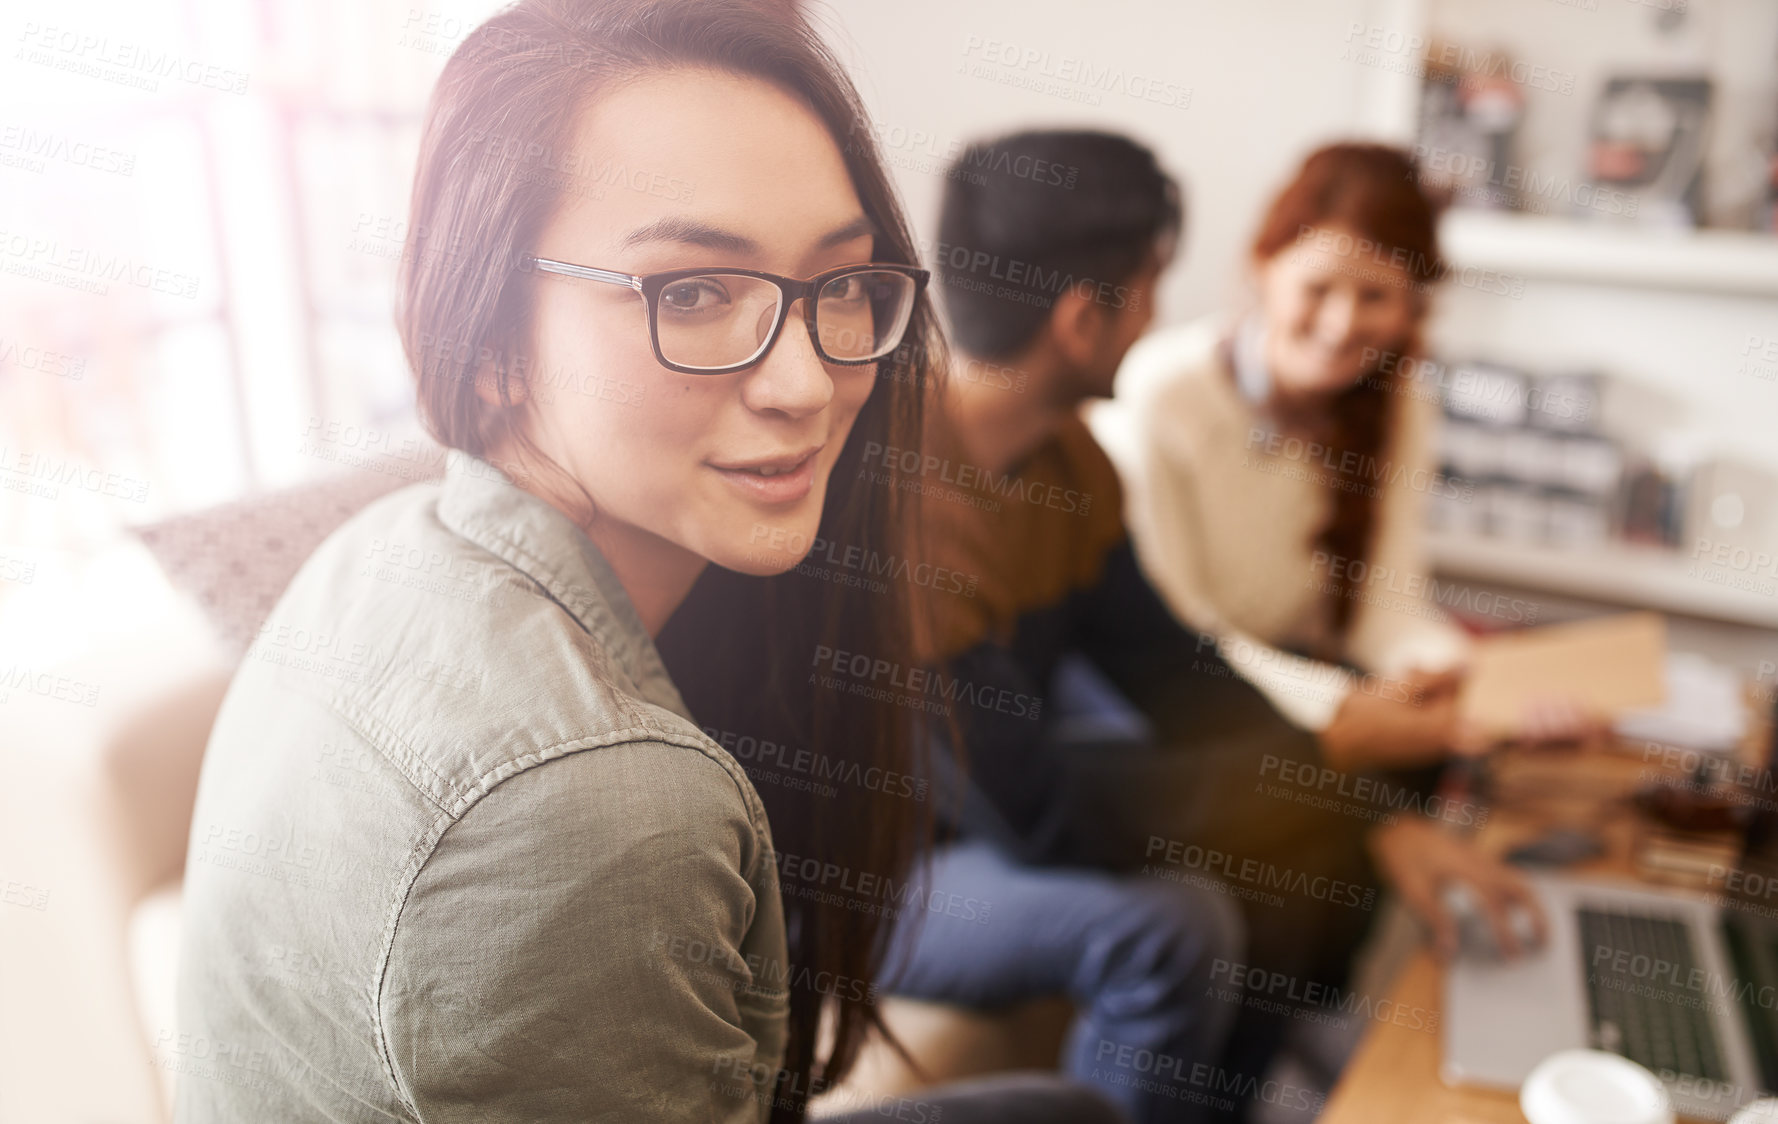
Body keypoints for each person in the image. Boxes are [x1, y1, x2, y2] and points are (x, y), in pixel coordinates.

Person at [173, 4, 1122, 1122]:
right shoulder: (594, 807)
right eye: (693, 291)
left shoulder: (378, 544)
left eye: (840, 283)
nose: (806, 385)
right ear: (490, 344)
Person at [879, 131, 1542, 1124]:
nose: (1155, 315)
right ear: (1078, 318)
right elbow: (1032, 811)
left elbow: (1174, 670)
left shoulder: (1068, 466)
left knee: (1268, 822)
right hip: (869, 871)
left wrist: (1354, 804)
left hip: (998, 813)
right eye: (1149, 285)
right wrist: (1320, 778)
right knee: (1173, 920)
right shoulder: (909, 507)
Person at [1088, 141, 1594, 773]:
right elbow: (1182, 639)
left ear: (1413, 305)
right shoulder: (1161, 391)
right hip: (1193, 703)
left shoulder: (1403, 399)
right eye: (1318, 288)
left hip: (1322, 688)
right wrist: (1356, 706)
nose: (1340, 324)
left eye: (1376, 297)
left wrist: (1466, 682)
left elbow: (1387, 608)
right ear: (1263, 268)